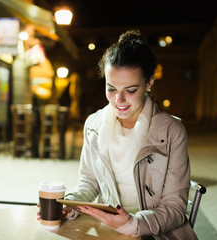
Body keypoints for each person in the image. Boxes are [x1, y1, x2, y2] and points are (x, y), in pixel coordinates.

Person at [47, 29, 197, 239]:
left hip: (156, 234)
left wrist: (133, 224)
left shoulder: (171, 131)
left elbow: (175, 209)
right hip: (109, 230)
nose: (119, 100)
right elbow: (89, 182)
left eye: (131, 90)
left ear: (149, 83)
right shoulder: (94, 125)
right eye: (111, 88)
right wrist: (70, 205)